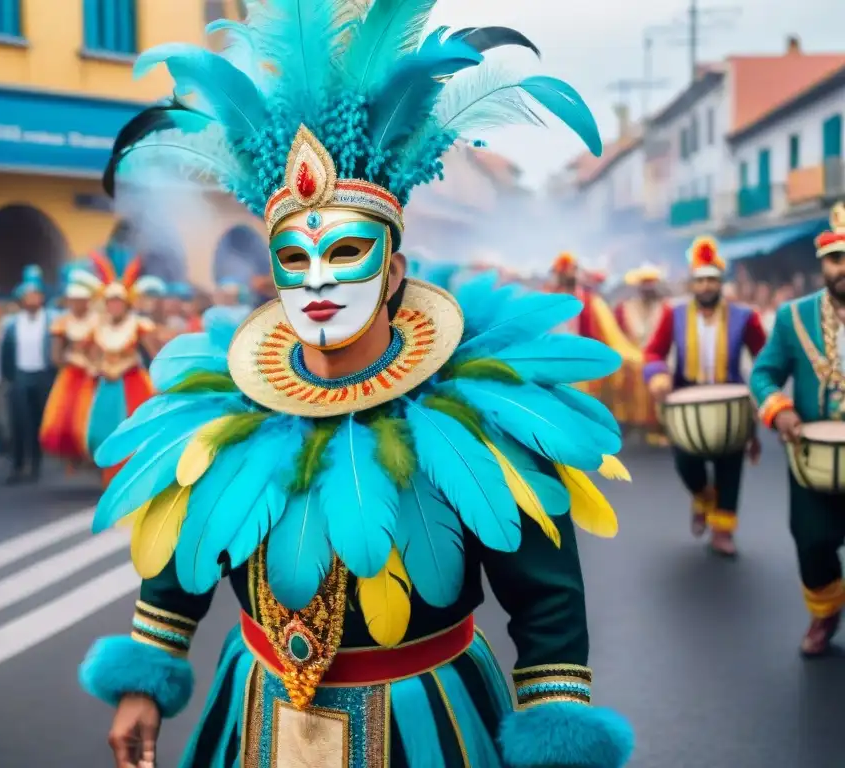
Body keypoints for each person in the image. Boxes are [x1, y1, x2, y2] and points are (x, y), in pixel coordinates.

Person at [78, 8, 634, 767]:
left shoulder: (477, 410)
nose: (318, 282)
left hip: (428, 720)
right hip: (258, 712)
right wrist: (144, 680)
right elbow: (182, 550)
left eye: (344, 251)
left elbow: (546, 598)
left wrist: (554, 726)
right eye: (293, 260)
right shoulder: (222, 408)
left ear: (395, 269)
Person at [750, 202, 845, 656]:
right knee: (811, 541)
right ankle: (825, 613)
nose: (843, 267)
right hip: (811, 454)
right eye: (836, 258)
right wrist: (779, 409)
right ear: (823, 264)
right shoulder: (793, 317)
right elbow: (763, 374)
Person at [644, 237, 767, 557]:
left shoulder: (745, 317)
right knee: (687, 464)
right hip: (686, 400)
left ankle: (722, 530)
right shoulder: (675, 315)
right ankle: (701, 495)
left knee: (730, 467)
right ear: (692, 284)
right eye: (700, 280)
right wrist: (657, 373)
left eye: (712, 279)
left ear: (721, 283)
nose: (707, 285)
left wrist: (764, 389)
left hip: (732, 403)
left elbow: (765, 357)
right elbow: (654, 351)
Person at [83, 251, 159, 487]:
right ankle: (109, 475)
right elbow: (91, 355)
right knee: (102, 431)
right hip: (107, 386)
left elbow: (155, 355)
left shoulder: (139, 325)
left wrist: (161, 381)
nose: (114, 306)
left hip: (132, 382)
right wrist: (95, 368)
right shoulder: (98, 327)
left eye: (118, 302)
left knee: (134, 430)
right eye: (110, 302)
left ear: (126, 304)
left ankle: (132, 478)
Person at [550, 253, 641, 417]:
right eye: (563, 272)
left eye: (571, 270)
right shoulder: (547, 303)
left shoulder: (593, 303)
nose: (567, 276)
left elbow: (609, 336)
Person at [0, 270, 55, 484]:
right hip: (20, 376)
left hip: (43, 375)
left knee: (39, 421)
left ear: (41, 298)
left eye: (35, 295)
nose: (32, 300)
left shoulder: (50, 320)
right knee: (19, 422)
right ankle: (17, 464)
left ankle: (36, 464)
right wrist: (8, 377)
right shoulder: (12, 324)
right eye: (27, 296)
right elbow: (5, 352)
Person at [40, 275, 99, 469]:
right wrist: (66, 359)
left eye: (81, 301)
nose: (77, 304)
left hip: (94, 373)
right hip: (72, 372)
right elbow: (55, 353)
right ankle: (73, 455)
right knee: (67, 416)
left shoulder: (97, 320)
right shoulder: (63, 321)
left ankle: (91, 453)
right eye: (73, 301)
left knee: (91, 416)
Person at [616, 265, 668, 446]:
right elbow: (618, 335)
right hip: (632, 358)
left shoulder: (665, 308)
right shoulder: (625, 308)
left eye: (650, 284)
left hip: (659, 358)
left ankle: (659, 426)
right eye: (644, 284)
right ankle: (631, 422)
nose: (647, 288)